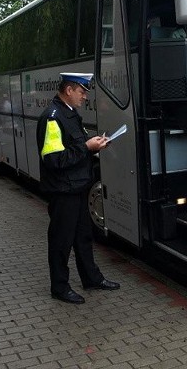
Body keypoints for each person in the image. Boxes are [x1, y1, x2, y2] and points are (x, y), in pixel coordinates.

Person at [36, 73, 118, 304]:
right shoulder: (52, 118)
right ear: (69, 90)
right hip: (63, 192)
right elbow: (53, 159)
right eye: (82, 91)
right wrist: (86, 147)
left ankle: (92, 278)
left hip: (78, 187)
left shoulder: (69, 114)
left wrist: (94, 145)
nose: (84, 96)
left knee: (83, 237)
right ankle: (59, 287)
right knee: (61, 242)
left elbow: (74, 147)